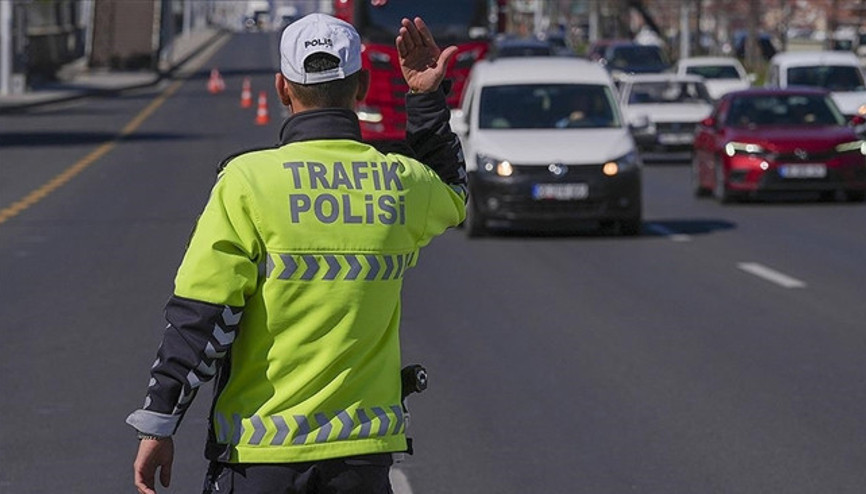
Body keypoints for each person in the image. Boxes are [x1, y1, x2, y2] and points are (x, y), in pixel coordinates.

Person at [126, 13, 466, 494]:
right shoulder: (399, 181)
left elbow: (203, 317)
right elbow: (454, 191)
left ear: (283, 88)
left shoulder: (247, 182)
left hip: (257, 459)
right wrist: (426, 98)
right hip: (361, 461)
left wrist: (160, 421)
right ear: (363, 87)